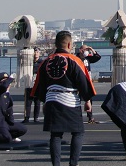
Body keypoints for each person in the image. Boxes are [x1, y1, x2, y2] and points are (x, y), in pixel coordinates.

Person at [31, 30, 97, 166]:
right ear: (68, 44)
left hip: (51, 100)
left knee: (55, 135)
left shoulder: (46, 62)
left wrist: (44, 100)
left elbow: (39, 85)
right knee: (78, 132)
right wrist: (87, 100)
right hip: (69, 100)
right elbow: (84, 82)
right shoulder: (75, 60)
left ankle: (56, 164)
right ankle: (73, 163)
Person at [77, 44, 102, 124]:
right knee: (77, 99)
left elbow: (98, 57)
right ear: (80, 50)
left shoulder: (88, 58)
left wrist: (91, 49)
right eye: (85, 49)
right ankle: (77, 117)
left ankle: (90, 117)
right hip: (78, 82)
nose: (86, 51)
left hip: (88, 81)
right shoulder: (76, 58)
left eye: (87, 50)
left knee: (89, 99)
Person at [23, 47, 45, 123]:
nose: (36, 53)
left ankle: (36, 117)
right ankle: (27, 117)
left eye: (37, 52)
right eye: (35, 52)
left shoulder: (41, 62)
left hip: (37, 84)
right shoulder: (29, 62)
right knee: (28, 101)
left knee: (37, 102)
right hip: (29, 83)